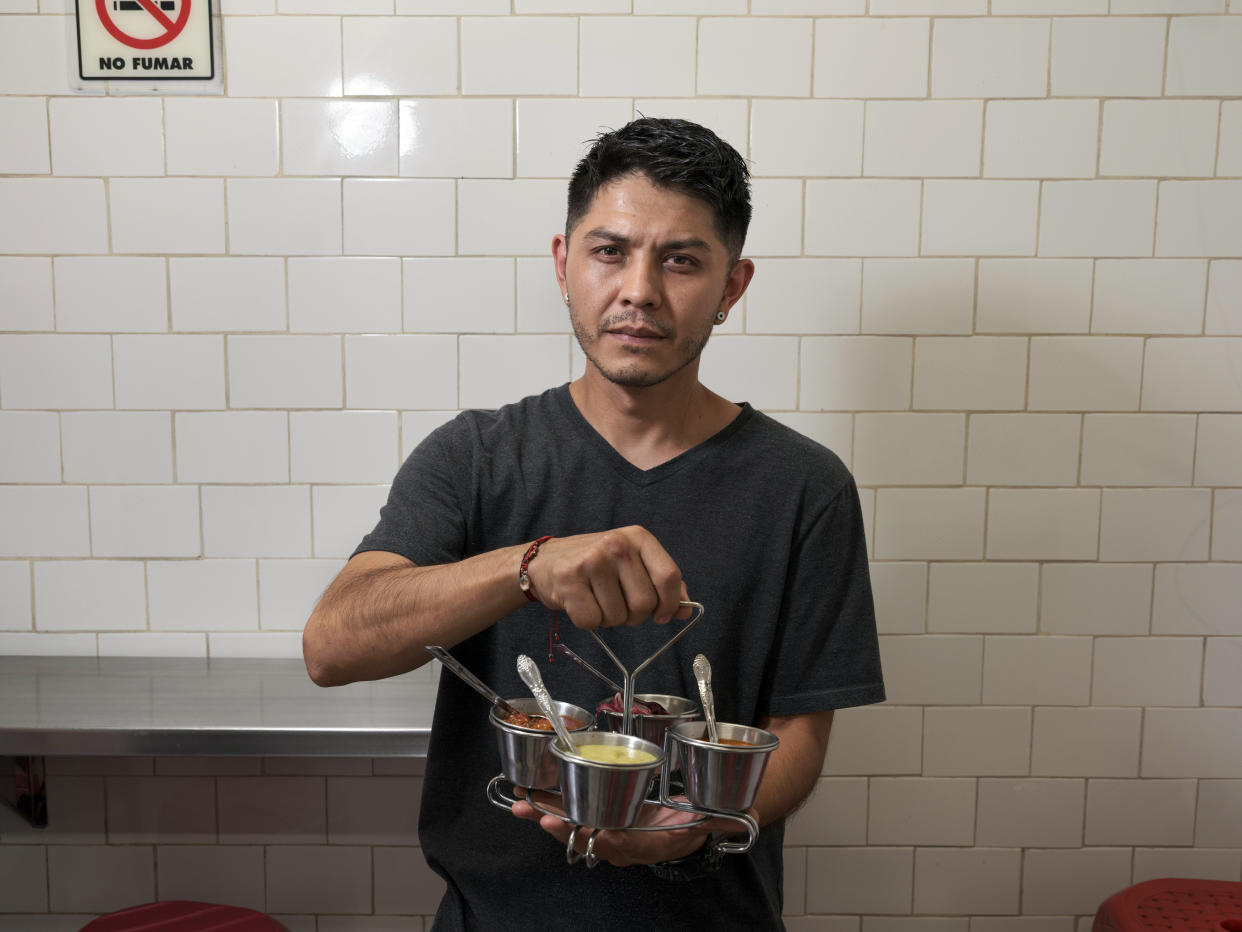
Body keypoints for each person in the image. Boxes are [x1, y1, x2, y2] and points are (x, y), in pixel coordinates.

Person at [303, 116, 885, 930]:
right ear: (563, 264)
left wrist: (695, 834)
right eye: (609, 250)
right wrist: (526, 567)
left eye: (681, 260)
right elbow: (332, 647)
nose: (639, 289)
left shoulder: (803, 488)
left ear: (733, 288)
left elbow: (796, 736)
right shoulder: (477, 457)